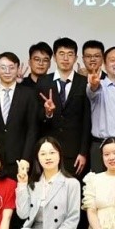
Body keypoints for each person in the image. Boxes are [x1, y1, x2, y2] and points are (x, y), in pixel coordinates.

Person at [13, 137, 82, 229]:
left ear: (60, 155)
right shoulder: (34, 183)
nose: (48, 157)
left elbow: (73, 219)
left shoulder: (71, 184)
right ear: (37, 158)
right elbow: (22, 214)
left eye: (52, 152)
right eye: (43, 154)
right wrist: (22, 184)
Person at [39, 37, 91, 175]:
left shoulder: (84, 83)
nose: (65, 58)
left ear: (76, 58)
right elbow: (36, 118)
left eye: (70, 54)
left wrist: (83, 152)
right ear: (54, 57)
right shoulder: (43, 82)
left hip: (75, 152)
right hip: (49, 149)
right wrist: (48, 113)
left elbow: (87, 120)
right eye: (61, 54)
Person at [0, 52, 41, 165]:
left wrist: (26, 158)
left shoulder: (29, 94)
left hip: (20, 158)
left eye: (11, 67)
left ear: (17, 69)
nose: (7, 71)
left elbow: (32, 129)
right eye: (3, 68)